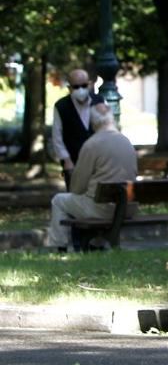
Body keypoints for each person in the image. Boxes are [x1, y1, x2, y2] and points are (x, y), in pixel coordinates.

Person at [47, 102, 137, 252]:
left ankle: (60, 246)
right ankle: (97, 245)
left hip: (102, 209)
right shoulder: (126, 142)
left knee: (59, 200)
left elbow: (77, 187)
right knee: (94, 199)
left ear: (93, 122)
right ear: (111, 119)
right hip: (127, 207)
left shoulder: (92, 144)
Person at [51, 69, 103, 189]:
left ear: (89, 84)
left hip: (97, 161)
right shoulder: (61, 106)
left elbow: (107, 130)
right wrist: (66, 160)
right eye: (76, 86)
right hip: (73, 161)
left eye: (84, 85)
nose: (81, 89)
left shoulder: (99, 101)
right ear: (69, 88)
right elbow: (57, 137)